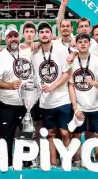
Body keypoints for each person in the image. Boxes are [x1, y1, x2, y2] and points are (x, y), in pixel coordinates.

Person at [31, 22, 73, 167]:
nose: (44, 34)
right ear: (38, 35)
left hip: (63, 100)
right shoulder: (34, 54)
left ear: (51, 34)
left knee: (65, 132)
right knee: (50, 133)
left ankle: (67, 163)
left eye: (47, 32)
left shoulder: (61, 49)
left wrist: (52, 87)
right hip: (45, 103)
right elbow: (34, 76)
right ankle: (53, 164)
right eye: (41, 32)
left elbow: (67, 73)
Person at [0, 26, 32, 167]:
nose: (13, 39)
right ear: (6, 39)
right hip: (7, 104)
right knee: (6, 137)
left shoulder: (26, 52)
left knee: (26, 136)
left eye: (15, 36)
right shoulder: (0, 57)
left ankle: (26, 163)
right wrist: (10, 85)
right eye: (10, 36)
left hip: (26, 104)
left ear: (19, 38)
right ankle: (7, 163)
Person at [68, 33, 98, 153]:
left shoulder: (97, 60)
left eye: (85, 42)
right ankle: (78, 161)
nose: (83, 44)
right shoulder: (72, 61)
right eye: (80, 42)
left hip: (97, 106)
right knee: (76, 136)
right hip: (80, 107)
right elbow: (71, 85)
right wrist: (75, 108)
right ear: (76, 45)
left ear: (90, 44)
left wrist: (93, 83)